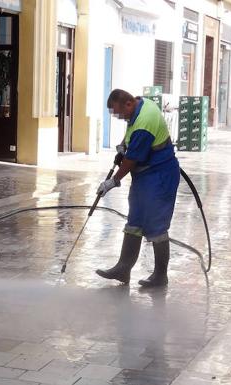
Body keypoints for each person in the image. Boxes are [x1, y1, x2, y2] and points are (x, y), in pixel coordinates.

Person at [94, 89, 180, 288]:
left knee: (156, 226)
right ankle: (123, 269)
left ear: (129, 104)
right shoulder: (141, 105)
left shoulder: (144, 123)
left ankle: (160, 276)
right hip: (145, 177)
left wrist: (113, 181)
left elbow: (131, 161)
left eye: (120, 113)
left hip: (160, 177)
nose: (120, 118)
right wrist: (124, 144)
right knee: (135, 221)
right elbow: (131, 133)